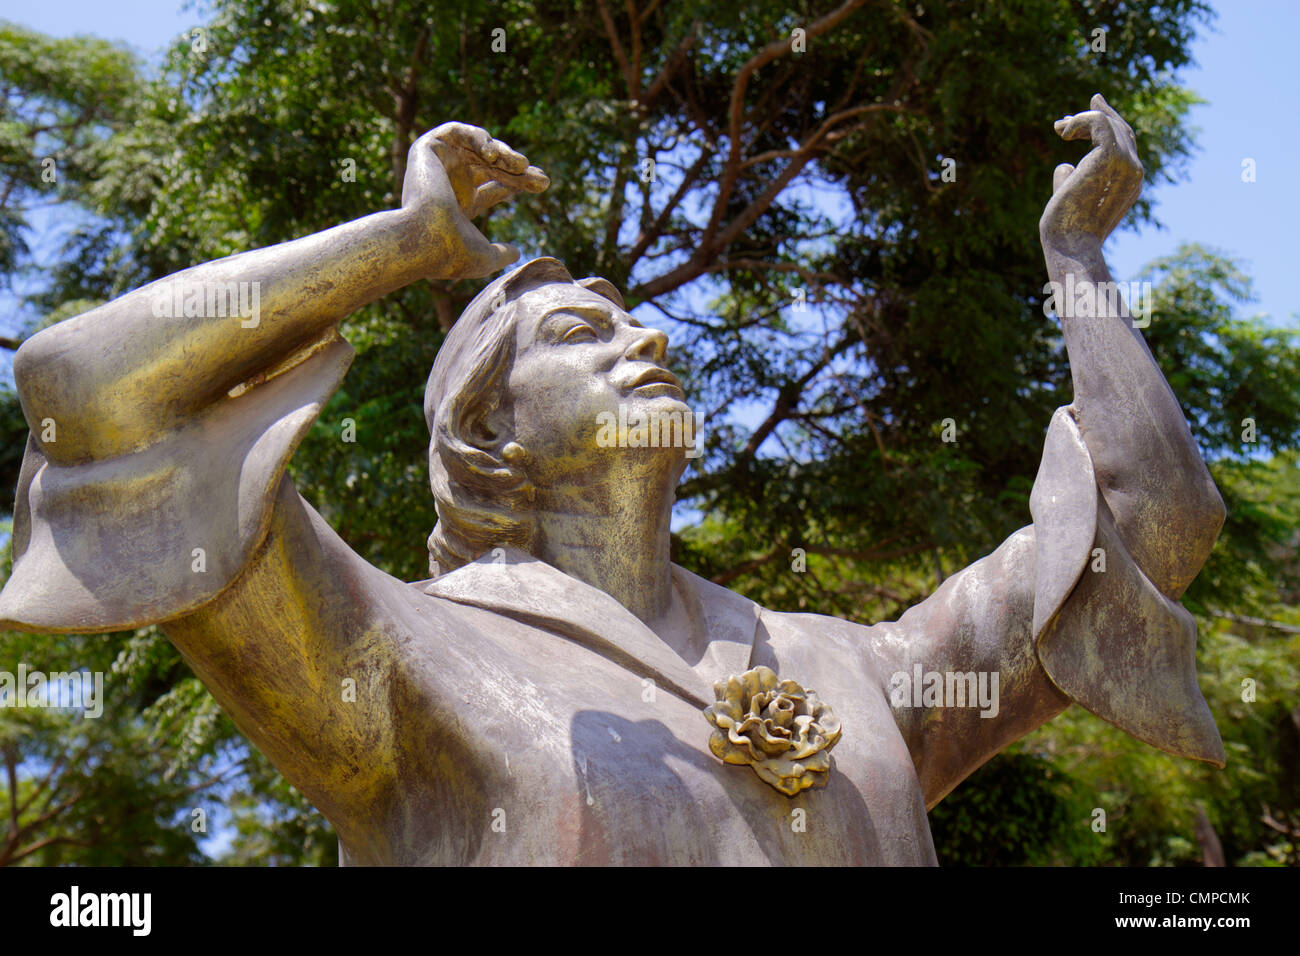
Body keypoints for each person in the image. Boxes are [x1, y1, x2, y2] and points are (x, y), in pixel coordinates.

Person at [0, 97, 1226, 865]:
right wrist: (408, 242)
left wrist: (1074, 259)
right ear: (488, 431)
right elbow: (97, 402)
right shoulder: (393, 647)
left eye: (644, 327)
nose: (647, 341)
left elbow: (1145, 521)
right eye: (581, 335)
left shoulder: (860, 666)